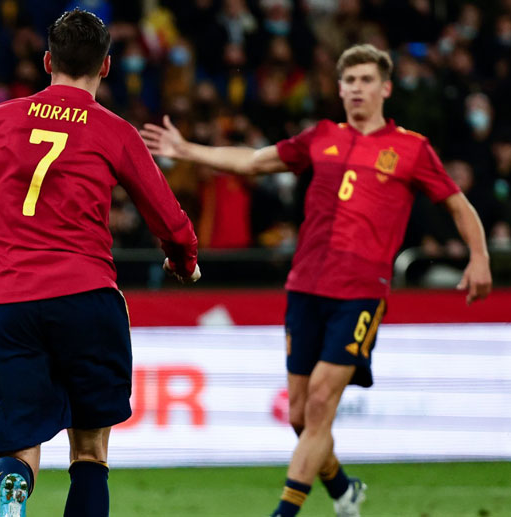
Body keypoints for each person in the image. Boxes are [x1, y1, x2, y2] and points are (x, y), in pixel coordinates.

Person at [141, 43, 492, 517]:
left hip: (361, 293)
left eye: (366, 80)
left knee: (323, 400)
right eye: (349, 81)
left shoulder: (411, 148)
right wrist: (187, 150)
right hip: (305, 286)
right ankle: (344, 489)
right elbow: (253, 161)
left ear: (385, 88)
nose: (356, 90)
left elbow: (457, 204)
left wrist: (479, 258)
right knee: (301, 415)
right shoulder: (321, 137)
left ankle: (284, 512)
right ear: (340, 89)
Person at [0, 9, 199, 517]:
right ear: (107, 67)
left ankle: (14, 490)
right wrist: (183, 258)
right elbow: (168, 215)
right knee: (90, 452)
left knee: (18, 445)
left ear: (48, 60)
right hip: (87, 298)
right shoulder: (114, 130)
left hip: (8, 303)